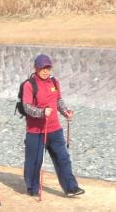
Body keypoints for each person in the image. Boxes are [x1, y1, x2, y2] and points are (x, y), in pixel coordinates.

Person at [21, 54, 84, 198]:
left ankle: (71, 187)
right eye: (42, 68)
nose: (45, 71)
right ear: (36, 68)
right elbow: (27, 107)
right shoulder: (29, 85)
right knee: (34, 161)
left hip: (55, 130)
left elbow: (58, 100)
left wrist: (65, 112)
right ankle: (32, 188)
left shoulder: (54, 82)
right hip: (36, 131)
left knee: (63, 158)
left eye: (48, 67)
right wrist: (42, 112)